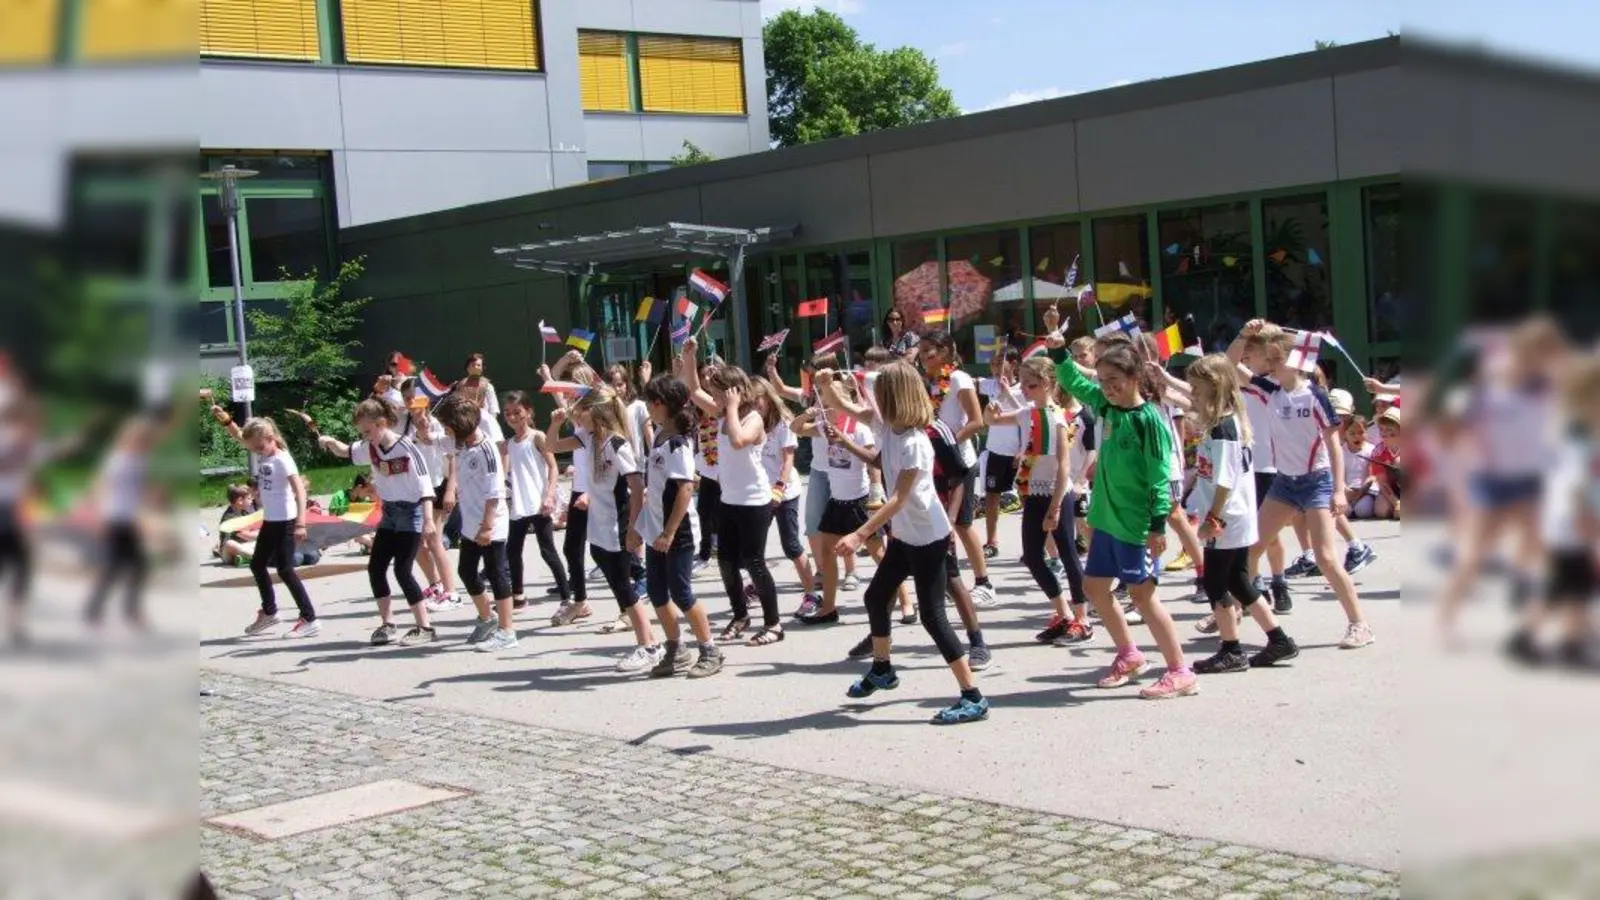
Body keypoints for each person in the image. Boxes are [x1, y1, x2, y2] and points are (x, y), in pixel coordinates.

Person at [822, 361, 989, 724]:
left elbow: (898, 497)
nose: (873, 397)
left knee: (932, 615)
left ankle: (972, 696)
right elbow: (845, 405)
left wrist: (859, 533)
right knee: (875, 597)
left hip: (928, 537)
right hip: (905, 535)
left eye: (879, 392)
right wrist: (827, 383)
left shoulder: (915, 442)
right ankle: (882, 669)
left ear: (894, 397)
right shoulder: (887, 427)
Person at [1047, 308, 1196, 700]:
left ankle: (1180, 670)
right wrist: (1058, 346)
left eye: (1114, 380)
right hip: (1106, 520)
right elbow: (1074, 381)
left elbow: (1159, 479)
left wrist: (1158, 525)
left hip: (1135, 524)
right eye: (1105, 380)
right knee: (1095, 587)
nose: (1107, 387)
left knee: (1144, 597)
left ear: (1134, 378)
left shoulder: (1149, 421)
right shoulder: (1107, 407)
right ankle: (1129, 655)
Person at [1234, 321, 1375, 650]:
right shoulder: (1270, 392)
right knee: (1252, 549)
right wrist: (1244, 334)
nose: (1258, 363)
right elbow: (1230, 365)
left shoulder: (1314, 396)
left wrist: (1339, 490)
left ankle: (1360, 625)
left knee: (1326, 557)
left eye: (1264, 356)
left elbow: (1334, 445)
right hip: (1284, 482)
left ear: (1279, 358)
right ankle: (1239, 608)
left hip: (1316, 482)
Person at [1183, 354, 1300, 671]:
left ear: (1214, 387)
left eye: (1196, 388)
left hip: (1227, 517)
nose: (1193, 393)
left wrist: (1212, 519)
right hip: (1237, 515)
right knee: (1238, 580)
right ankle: (1279, 640)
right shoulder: (1228, 420)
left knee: (1216, 585)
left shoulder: (1223, 427)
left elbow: (1224, 479)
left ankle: (1231, 649)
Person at [550, 387, 664, 671]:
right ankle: (652, 642)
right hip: (598, 524)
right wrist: (553, 423)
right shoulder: (588, 438)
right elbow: (551, 446)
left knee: (623, 587)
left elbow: (637, 488)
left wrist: (633, 529)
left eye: (581, 408)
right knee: (617, 583)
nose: (575, 412)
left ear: (596, 412)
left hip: (617, 524)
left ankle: (648, 646)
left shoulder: (616, 444)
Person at [681, 338, 785, 647]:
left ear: (733, 392)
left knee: (755, 563)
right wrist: (690, 357)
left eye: (718, 390)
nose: (713, 395)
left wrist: (734, 407)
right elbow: (693, 390)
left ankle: (774, 624)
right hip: (729, 500)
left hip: (754, 502)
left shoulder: (753, 418)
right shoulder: (724, 412)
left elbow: (739, 441)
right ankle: (740, 615)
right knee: (726, 562)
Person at [318, 397, 438, 647]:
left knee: (402, 570)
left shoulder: (406, 446)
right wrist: (329, 442)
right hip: (390, 513)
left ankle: (425, 627)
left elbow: (425, 485)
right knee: (376, 567)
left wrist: (428, 520)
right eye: (362, 432)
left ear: (382, 423)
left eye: (368, 431)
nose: (365, 436)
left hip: (412, 511)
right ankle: (388, 623)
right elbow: (345, 450)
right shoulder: (370, 447)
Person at [1505, 355, 1600, 669]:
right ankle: (1526, 638)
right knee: (1566, 584)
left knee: (1577, 585)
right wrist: (1584, 518)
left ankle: (1571, 641)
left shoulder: (1578, 424)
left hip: (1570, 517)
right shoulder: (1581, 430)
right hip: (1573, 518)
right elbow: (1577, 478)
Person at [995, 356, 1091, 647]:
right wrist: (993, 405)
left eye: (1031, 384)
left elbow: (1063, 466)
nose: (1025, 389)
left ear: (1048, 384)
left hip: (1055, 494)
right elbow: (994, 421)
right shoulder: (1028, 413)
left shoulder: (1057, 418)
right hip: (1033, 493)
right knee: (1034, 556)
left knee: (1069, 555)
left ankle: (1083, 620)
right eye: (1022, 383)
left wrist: (1056, 506)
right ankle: (1062, 613)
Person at [635, 374, 724, 678]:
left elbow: (686, 489)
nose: (647, 406)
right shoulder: (660, 436)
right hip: (656, 529)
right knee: (658, 593)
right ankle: (676, 649)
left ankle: (710, 649)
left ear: (660, 404)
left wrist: (670, 532)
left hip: (677, 531)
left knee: (682, 592)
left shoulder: (677, 444)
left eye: (650, 400)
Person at [213, 409, 320, 638]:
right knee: (257, 564)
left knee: (285, 570)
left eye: (259, 448)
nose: (256, 452)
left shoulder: (282, 459)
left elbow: (299, 491)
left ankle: (310, 618)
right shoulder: (264, 450)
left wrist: (301, 522)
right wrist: (226, 420)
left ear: (271, 439)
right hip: (271, 521)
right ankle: (270, 612)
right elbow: (241, 436)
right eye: (254, 449)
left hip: (287, 521)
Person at [916, 330, 996, 607]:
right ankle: (950, 582)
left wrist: (948, 444)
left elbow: (976, 421)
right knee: (939, 523)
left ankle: (984, 582)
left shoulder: (959, 378)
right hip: (932, 461)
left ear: (946, 352)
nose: (925, 355)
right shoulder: (924, 381)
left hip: (958, 461)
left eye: (931, 350)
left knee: (962, 523)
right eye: (922, 349)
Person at [543, 352, 601, 625]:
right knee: (572, 548)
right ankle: (580, 601)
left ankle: (634, 596)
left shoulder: (599, 416)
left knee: (610, 551)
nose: (565, 396)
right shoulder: (575, 417)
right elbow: (552, 377)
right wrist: (565, 358)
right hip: (581, 489)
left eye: (571, 390)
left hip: (600, 490)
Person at [753, 375, 818, 616]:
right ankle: (757, 586)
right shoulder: (752, 422)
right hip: (761, 493)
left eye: (757, 399)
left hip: (785, 492)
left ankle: (811, 593)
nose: (754, 405)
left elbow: (788, 458)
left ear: (768, 397)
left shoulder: (783, 423)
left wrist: (779, 486)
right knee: (754, 547)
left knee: (791, 545)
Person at [502, 390, 567, 613]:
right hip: (520, 506)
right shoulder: (509, 443)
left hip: (540, 504)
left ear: (528, 413)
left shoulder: (537, 437)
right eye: (507, 413)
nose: (512, 417)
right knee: (512, 550)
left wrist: (549, 496)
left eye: (517, 412)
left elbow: (553, 466)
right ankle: (518, 595)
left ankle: (568, 596)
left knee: (547, 550)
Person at [979, 347, 1025, 563]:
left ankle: (1036, 545)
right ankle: (991, 542)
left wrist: (1023, 449)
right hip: (996, 451)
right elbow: (968, 382)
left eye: (1000, 363)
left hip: (1018, 453)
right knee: (991, 497)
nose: (996, 368)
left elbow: (1028, 422)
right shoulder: (990, 384)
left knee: (1028, 499)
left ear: (1013, 364)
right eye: (993, 364)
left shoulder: (1024, 388)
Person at [1339, 414, 1380, 520]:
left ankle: (1360, 507)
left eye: (1361, 432)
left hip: (1366, 491)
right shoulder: (1340, 451)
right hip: (1346, 490)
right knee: (1344, 511)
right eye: (1352, 433)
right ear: (1345, 434)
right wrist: (1346, 490)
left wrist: (1361, 491)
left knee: (1363, 510)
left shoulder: (1371, 450)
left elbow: (1372, 475)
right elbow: (1338, 474)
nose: (1357, 436)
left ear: (1366, 432)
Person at [217, 484, 259, 566]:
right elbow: (245, 535)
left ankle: (244, 558)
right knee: (230, 543)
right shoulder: (230, 518)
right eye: (249, 498)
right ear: (240, 501)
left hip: (244, 546)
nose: (252, 500)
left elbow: (254, 529)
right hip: (228, 553)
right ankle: (262, 558)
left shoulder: (244, 512)